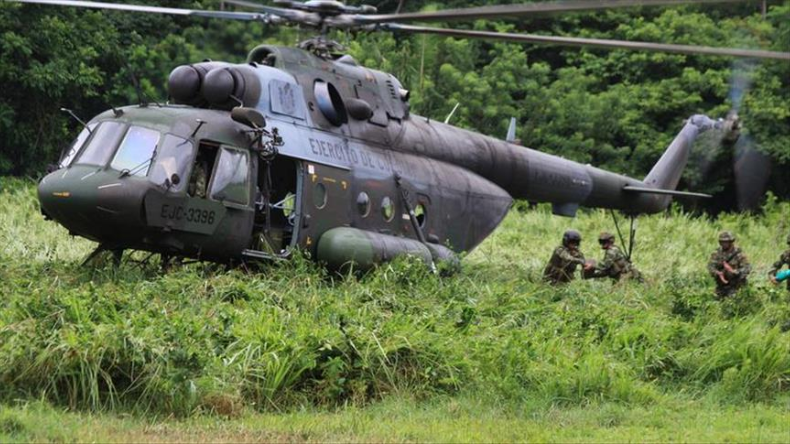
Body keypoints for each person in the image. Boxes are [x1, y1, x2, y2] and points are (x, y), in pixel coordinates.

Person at [707, 231, 751, 299]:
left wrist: (733, 271)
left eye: (726, 242)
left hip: (736, 286)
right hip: (721, 286)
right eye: (722, 242)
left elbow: (747, 268)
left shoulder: (739, 254)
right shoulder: (717, 253)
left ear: (731, 242)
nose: (724, 244)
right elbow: (710, 266)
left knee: (733, 300)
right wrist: (718, 273)